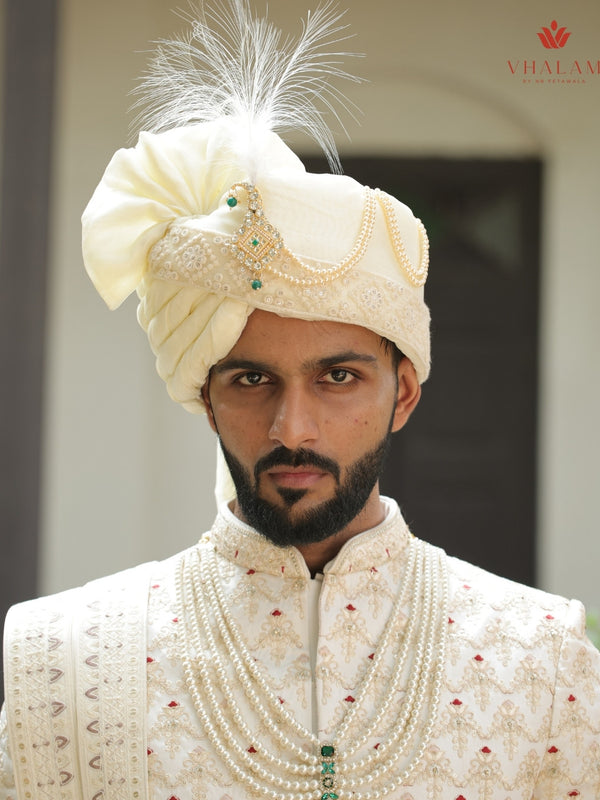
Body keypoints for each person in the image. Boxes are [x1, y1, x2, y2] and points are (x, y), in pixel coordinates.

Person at [2, 3, 599, 799]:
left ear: (405, 393)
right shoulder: (62, 662)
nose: (294, 427)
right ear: (205, 398)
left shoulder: (543, 658)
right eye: (251, 380)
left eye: (338, 377)